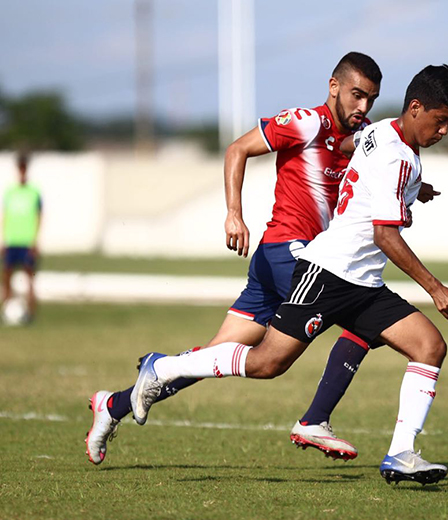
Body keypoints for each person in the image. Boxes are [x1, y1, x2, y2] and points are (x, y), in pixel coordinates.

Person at [129, 64, 448, 485]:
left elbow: (348, 144)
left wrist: (412, 189)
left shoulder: (383, 132)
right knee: (267, 363)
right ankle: (163, 369)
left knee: (429, 346)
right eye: (441, 122)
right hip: (328, 273)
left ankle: (401, 453)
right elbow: (385, 235)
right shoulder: (396, 154)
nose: (443, 133)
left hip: (363, 284)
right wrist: (435, 288)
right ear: (416, 108)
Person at [86, 52, 384, 464]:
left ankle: (114, 404)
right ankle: (315, 420)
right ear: (334, 87)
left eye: (371, 99)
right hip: (289, 252)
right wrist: (233, 213)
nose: (363, 107)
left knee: (213, 356)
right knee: (364, 313)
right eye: (356, 96)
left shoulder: (362, 133)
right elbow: (237, 149)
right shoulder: (304, 121)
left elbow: (373, 165)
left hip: (286, 259)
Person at [2, 153, 42, 323]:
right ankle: (6, 312)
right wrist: (3, 239)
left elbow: (39, 216)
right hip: (11, 240)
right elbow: (5, 216)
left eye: (24, 168)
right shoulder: (10, 192)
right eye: (20, 168)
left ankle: (31, 315)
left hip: (27, 241)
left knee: (29, 278)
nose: (22, 171)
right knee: (6, 277)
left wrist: (35, 240)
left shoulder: (34, 192)